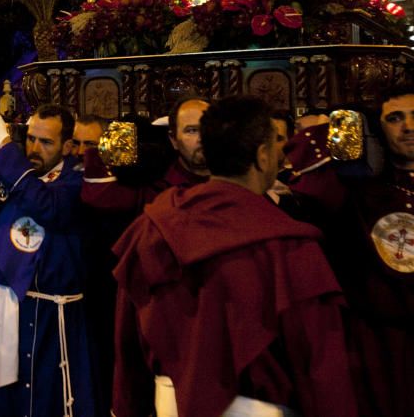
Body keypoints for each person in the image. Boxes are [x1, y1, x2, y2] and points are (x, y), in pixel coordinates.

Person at [112, 96, 356, 417]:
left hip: (168, 403)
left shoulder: (155, 225)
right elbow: (321, 365)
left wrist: (127, 408)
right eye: (276, 145)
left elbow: (127, 342)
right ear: (263, 156)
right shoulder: (288, 246)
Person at [0, 105, 104, 417]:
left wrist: (7, 149)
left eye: (46, 142)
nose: (35, 149)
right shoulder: (13, 172)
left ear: (67, 146)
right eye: (31, 139)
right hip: (8, 307)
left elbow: (47, 207)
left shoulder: (76, 180)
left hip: (56, 314)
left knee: (52, 400)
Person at [285, 87, 414, 416]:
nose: (408, 127)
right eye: (395, 118)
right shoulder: (360, 191)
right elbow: (312, 189)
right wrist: (333, 128)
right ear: (378, 127)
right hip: (381, 340)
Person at [82, 96, 211, 212]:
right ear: (173, 139)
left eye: (209, 128)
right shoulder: (155, 185)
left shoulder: (230, 181)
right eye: (191, 130)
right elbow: (97, 195)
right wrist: (124, 128)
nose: (201, 138)